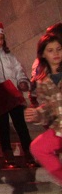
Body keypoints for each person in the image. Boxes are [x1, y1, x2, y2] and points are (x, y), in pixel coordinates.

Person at [0, 20, 33, 167]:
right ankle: (8, 154)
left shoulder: (9, 56)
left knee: (20, 125)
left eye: (1, 38)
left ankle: (29, 153)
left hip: (12, 93)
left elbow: (18, 70)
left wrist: (22, 81)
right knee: (3, 126)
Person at [27, 32, 62, 185]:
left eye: (59, 49)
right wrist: (37, 114)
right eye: (51, 50)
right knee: (38, 147)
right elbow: (49, 109)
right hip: (59, 127)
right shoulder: (43, 81)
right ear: (43, 54)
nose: (56, 54)